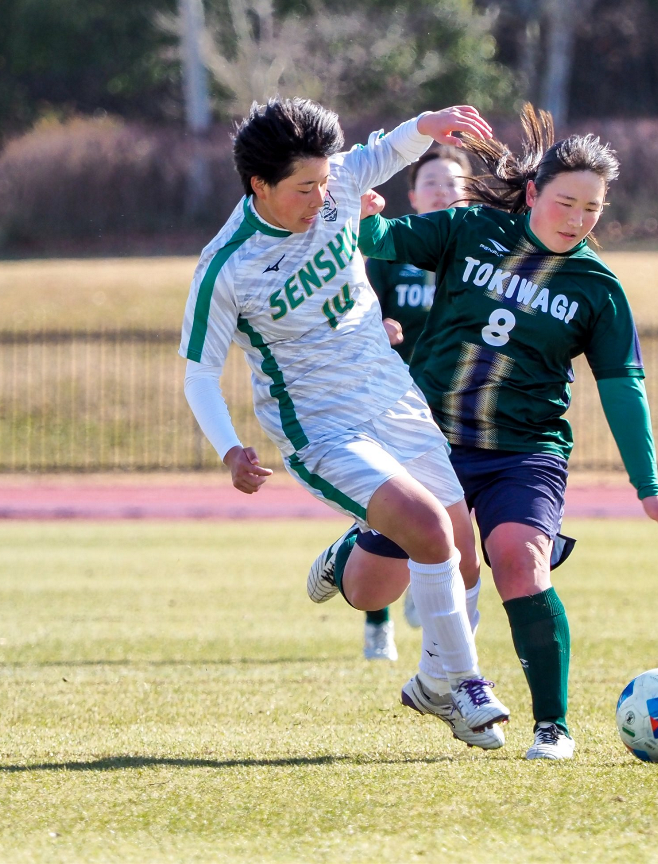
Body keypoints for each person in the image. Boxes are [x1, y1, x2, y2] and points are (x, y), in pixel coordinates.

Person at [311, 105, 658, 761]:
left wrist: (647, 487)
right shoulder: (469, 229)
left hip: (525, 454)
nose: (576, 218)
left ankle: (552, 727)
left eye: (592, 209)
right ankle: (349, 552)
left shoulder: (598, 288)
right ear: (535, 192)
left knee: (518, 560)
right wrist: (364, 216)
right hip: (433, 441)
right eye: (566, 201)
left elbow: (622, 386)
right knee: (372, 590)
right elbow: (378, 244)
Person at [179, 96, 512, 740]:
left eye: (325, 182)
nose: (320, 197)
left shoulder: (337, 189)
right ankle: (467, 687)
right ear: (259, 185)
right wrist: (228, 450)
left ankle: (434, 682)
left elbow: (384, 152)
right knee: (425, 529)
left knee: (459, 546)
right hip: (321, 428)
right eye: (305, 188)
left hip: (392, 398)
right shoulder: (228, 266)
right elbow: (199, 372)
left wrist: (428, 127)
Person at [357, 145, 473, 661]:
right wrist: (375, 329)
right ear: (412, 194)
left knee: (448, 507)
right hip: (391, 397)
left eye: (452, 181)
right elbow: (358, 304)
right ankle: (377, 619)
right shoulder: (393, 247)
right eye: (430, 182)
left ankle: (427, 586)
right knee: (382, 504)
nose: (442, 190)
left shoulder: (479, 250)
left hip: (453, 402)